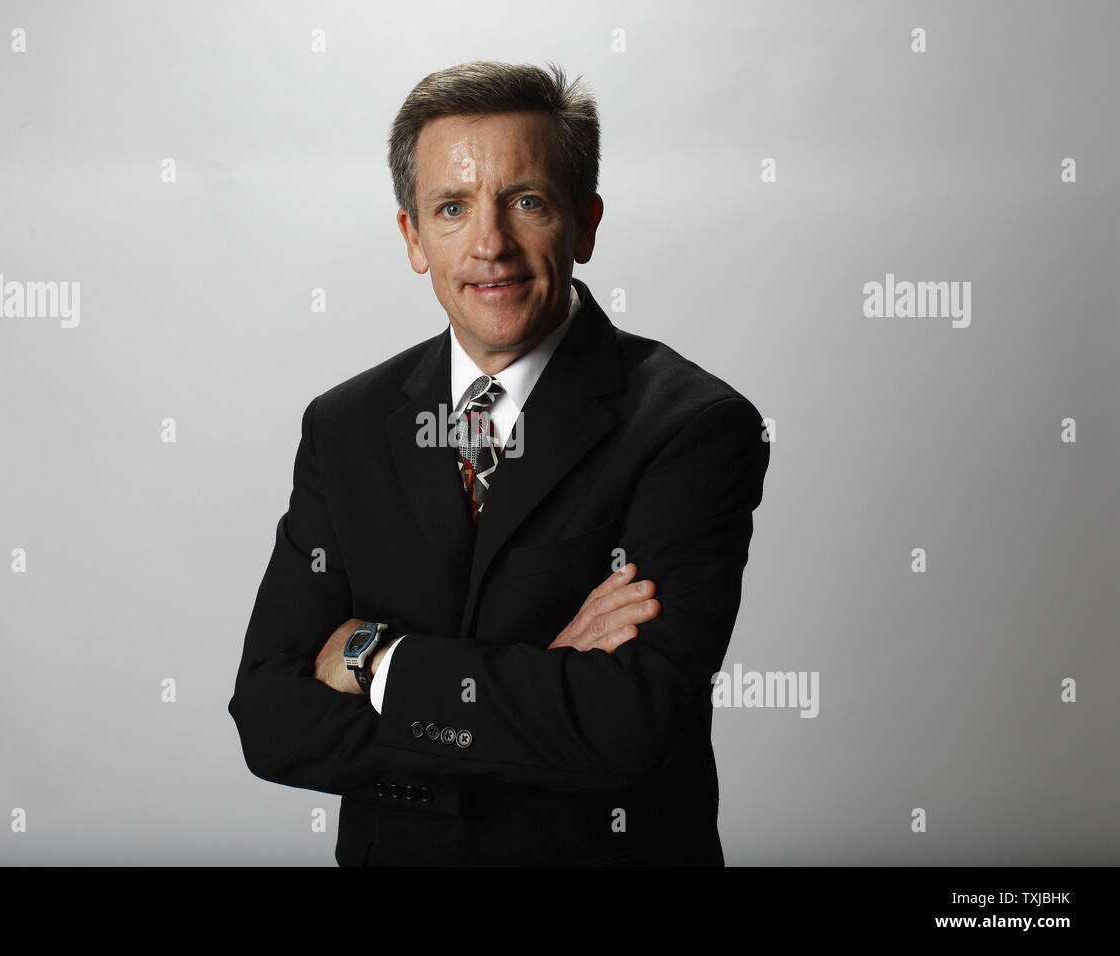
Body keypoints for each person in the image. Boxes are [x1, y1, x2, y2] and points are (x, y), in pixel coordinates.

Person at [227, 60, 771, 865]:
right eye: (453, 208)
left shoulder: (693, 429)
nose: (490, 245)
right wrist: (540, 689)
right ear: (414, 237)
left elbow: (628, 726)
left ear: (583, 224)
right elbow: (270, 719)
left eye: (526, 202)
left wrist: (377, 659)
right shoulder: (345, 426)